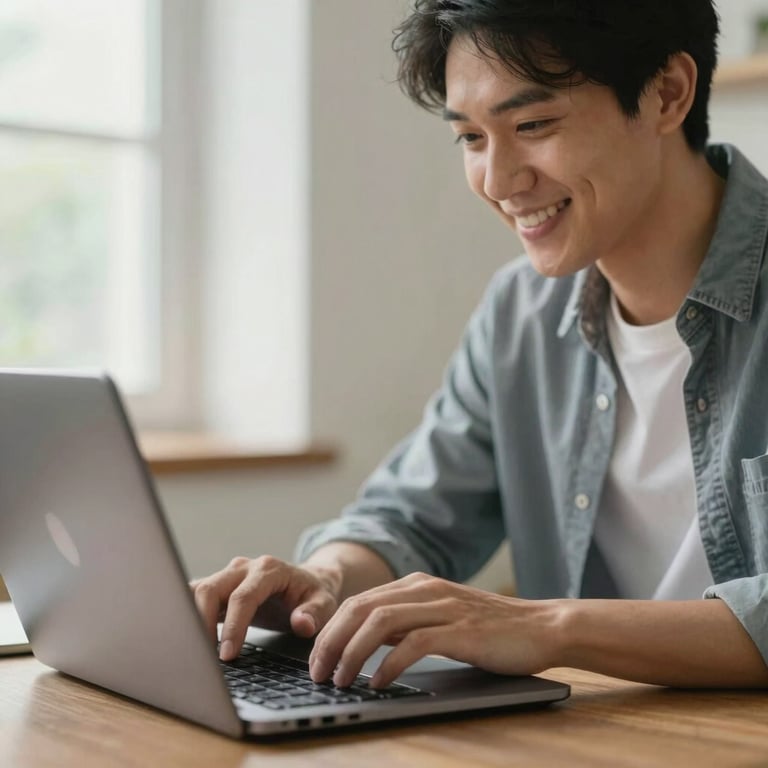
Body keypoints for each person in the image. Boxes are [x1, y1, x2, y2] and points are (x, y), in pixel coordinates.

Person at [192, 0, 768, 690]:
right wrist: (324, 578)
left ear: (667, 92)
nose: (498, 182)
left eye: (532, 125)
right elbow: (413, 516)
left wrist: (543, 627)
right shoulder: (520, 311)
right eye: (470, 138)